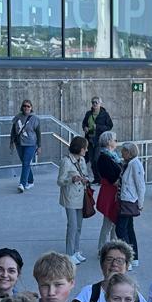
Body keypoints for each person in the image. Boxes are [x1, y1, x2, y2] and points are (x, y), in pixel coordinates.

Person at [74, 241, 146, 302]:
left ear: (127, 266)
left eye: (120, 261)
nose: (114, 264)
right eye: (109, 259)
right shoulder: (88, 294)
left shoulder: (135, 296)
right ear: (102, 264)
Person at [58, 136, 93, 264]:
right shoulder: (66, 161)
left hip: (81, 196)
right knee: (72, 226)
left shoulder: (82, 160)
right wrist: (71, 179)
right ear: (79, 148)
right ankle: (69, 253)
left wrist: (85, 179)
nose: (86, 150)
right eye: (85, 148)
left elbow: (85, 174)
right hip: (70, 197)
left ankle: (76, 251)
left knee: (79, 226)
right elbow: (60, 181)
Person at [116, 141, 147, 262]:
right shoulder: (128, 164)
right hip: (125, 200)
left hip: (129, 201)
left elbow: (141, 186)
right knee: (129, 229)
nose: (121, 153)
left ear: (129, 153)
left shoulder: (135, 165)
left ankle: (128, 258)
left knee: (121, 230)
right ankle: (134, 258)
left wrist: (140, 204)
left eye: (123, 151)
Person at [94, 133, 123, 248]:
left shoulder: (113, 156)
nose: (116, 142)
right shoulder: (104, 158)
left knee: (115, 222)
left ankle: (113, 247)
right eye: (115, 140)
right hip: (110, 193)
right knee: (108, 222)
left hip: (114, 192)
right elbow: (112, 179)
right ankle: (102, 249)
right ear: (108, 142)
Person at [10, 97, 41, 192]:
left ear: (31, 107)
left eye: (28, 106)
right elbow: (13, 131)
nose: (26, 108)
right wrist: (11, 141)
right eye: (24, 106)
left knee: (26, 163)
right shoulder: (17, 117)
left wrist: (39, 146)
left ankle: (22, 184)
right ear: (22, 107)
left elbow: (38, 133)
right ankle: (30, 181)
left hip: (31, 144)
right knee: (25, 163)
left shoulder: (35, 119)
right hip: (19, 143)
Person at [81, 95, 113, 168]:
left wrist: (98, 127)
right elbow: (84, 123)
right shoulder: (88, 113)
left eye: (96, 102)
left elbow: (110, 126)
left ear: (100, 103)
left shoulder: (104, 114)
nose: (94, 104)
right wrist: (84, 127)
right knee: (90, 159)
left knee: (96, 160)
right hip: (89, 140)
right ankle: (94, 174)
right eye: (93, 102)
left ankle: (98, 174)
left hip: (99, 140)